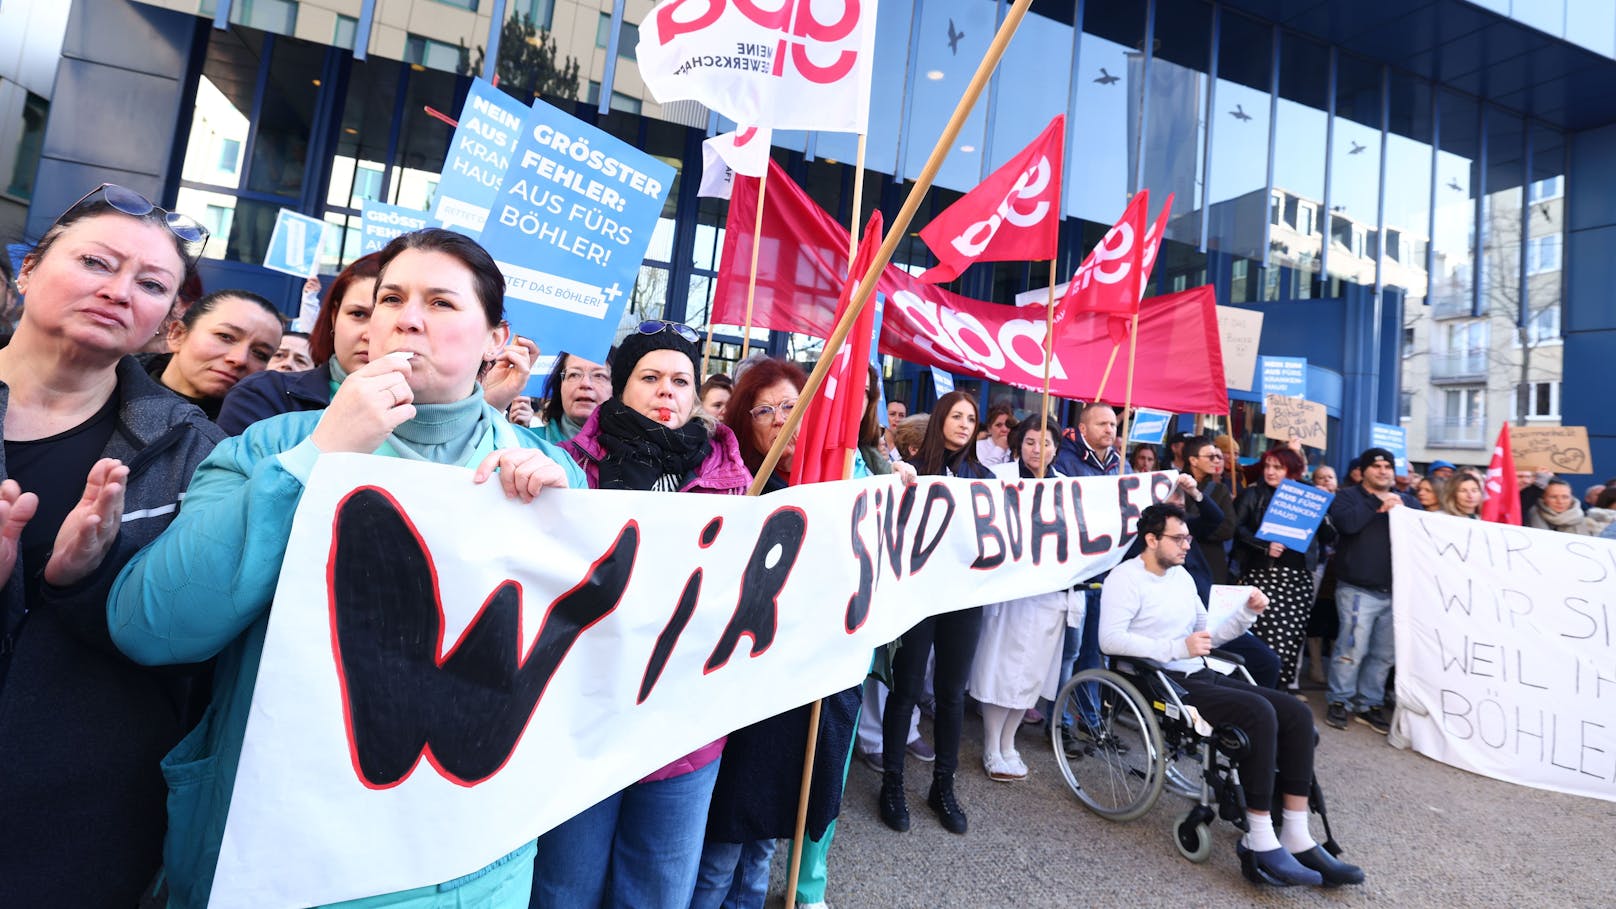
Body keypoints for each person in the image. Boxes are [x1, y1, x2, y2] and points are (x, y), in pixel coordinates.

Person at [108, 228, 584, 909]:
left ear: (495, 339)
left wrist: (559, 531)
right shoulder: (274, 445)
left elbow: (580, 673)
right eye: (392, 297)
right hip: (276, 855)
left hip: (464, 871)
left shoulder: (553, 472)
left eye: (441, 302)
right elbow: (152, 625)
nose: (407, 317)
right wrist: (320, 454)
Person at [0, 183, 223, 907]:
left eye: (151, 283)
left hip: (73, 822)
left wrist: (85, 585)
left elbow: (198, 640)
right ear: (30, 267)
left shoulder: (194, 450)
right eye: (97, 261)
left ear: (165, 322)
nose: (119, 290)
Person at [535, 322, 750, 909]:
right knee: (564, 886)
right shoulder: (568, 468)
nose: (667, 392)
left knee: (656, 890)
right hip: (583, 716)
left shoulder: (732, 481)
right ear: (621, 388)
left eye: (681, 380)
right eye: (649, 377)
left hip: (682, 729)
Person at [1100, 504, 1364, 888]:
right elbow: (1109, 639)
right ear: (1151, 539)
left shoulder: (1183, 578)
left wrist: (1245, 616)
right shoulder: (1125, 579)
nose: (1187, 545)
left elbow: (1207, 639)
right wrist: (1177, 647)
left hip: (1194, 671)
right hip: (1156, 679)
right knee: (1258, 712)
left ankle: (1295, 832)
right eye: (1179, 538)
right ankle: (1258, 838)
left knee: (1295, 712)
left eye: (1188, 538)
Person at [879, 390, 992, 835]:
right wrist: (894, 477)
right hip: (917, 595)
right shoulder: (911, 470)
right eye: (958, 415)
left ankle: (942, 785)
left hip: (963, 599)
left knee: (951, 693)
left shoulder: (982, 476)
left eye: (972, 418)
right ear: (942, 416)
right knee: (905, 689)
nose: (965, 424)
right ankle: (893, 783)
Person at [971, 416, 1080, 782]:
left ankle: (1010, 741)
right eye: (1031, 442)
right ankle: (991, 744)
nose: (1038, 450)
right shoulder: (999, 480)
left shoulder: (1067, 487)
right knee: (999, 668)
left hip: (1048, 594)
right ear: (1019, 445)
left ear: (1056, 447)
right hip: (1008, 594)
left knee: (1033, 673)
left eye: (1046, 443)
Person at [216, 253, 380, 434]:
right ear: (334, 317)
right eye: (358, 314)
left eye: (390, 319)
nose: (370, 335)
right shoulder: (263, 394)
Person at [1323, 448, 1419, 733]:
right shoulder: (1347, 498)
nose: (1383, 471)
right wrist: (1377, 506)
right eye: (1376, 466)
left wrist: (1401, 507)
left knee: (1383, 655)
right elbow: (1347, 525)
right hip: (1357, 590)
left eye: (1388, 466)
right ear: (1363, 471)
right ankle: (1339, 700)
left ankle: (1369, 703)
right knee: (1351, 648)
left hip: (1396, 594)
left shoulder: (1409, 502)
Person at [1232, 445, 1330, 691]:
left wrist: (1322, 508)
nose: (1270, 472)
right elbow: (1236, 528)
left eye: (1278, 467)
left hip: (1298, 583)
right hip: (1263, 577)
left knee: (1288, 644)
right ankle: (1253, 692)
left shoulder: (1308, 495)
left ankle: (1278, 695)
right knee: (1262, 643)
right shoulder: (1252, 495)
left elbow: (1331, 536)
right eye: (1267, 466)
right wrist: (1264, 546)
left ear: (1293, 471)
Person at [143, 288, 284, 420]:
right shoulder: (122, 383)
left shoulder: (256, 437)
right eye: (225, 336)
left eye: (260, 354)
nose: (240, 359)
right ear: (177, 335)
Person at [535, 351, 611, 444]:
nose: (585, 384)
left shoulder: (632, 451)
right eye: (574, 375)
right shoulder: (527, 443)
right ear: (560, 385)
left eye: (599, 375)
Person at [1526, 477, 1595, 534]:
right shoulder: (1530, 515)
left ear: (1571, 498)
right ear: (1543, 498)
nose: (1560, 501)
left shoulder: (1587, 521)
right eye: (1553, 497)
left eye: (1565, 497)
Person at [974, 399, 1015, 466]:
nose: (1004, 429)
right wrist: (999, 449)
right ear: (989, 429)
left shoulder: (1016, 449)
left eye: (1008, 424)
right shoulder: (978, 448)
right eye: (998, 425)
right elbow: (982, 473)